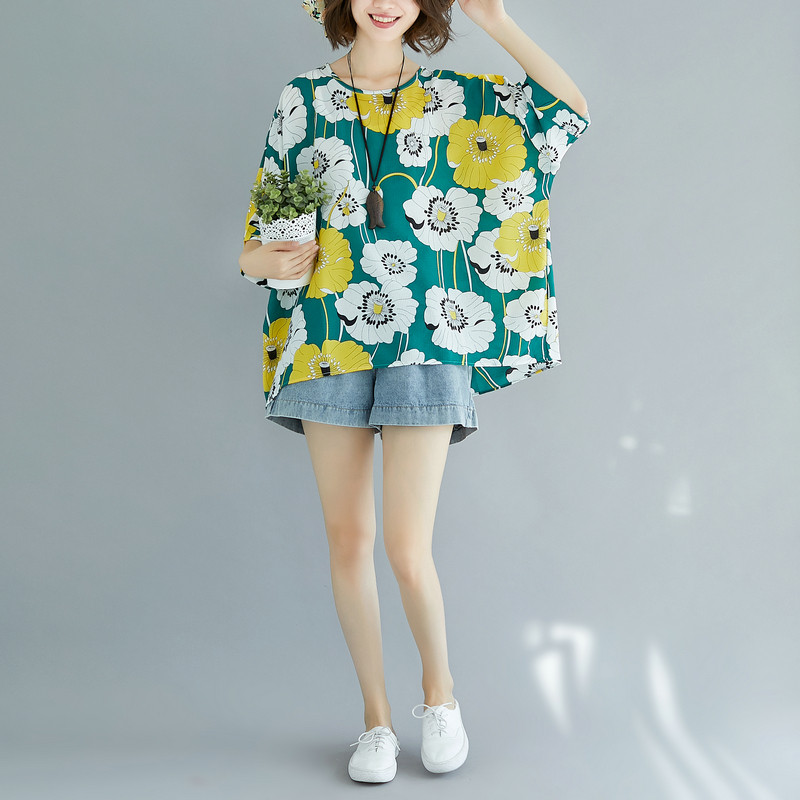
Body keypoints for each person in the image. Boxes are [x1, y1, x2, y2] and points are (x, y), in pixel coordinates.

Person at [237, 0, 590, 783]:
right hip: (327, 339)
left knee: (405, 547)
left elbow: (567, 113)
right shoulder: (303, 98)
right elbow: (261, 234)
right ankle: (375, 722)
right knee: (348, 542)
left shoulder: (458, 97)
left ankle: (440, 695)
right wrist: (265, 263)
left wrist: (497, 21)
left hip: (427, 340)